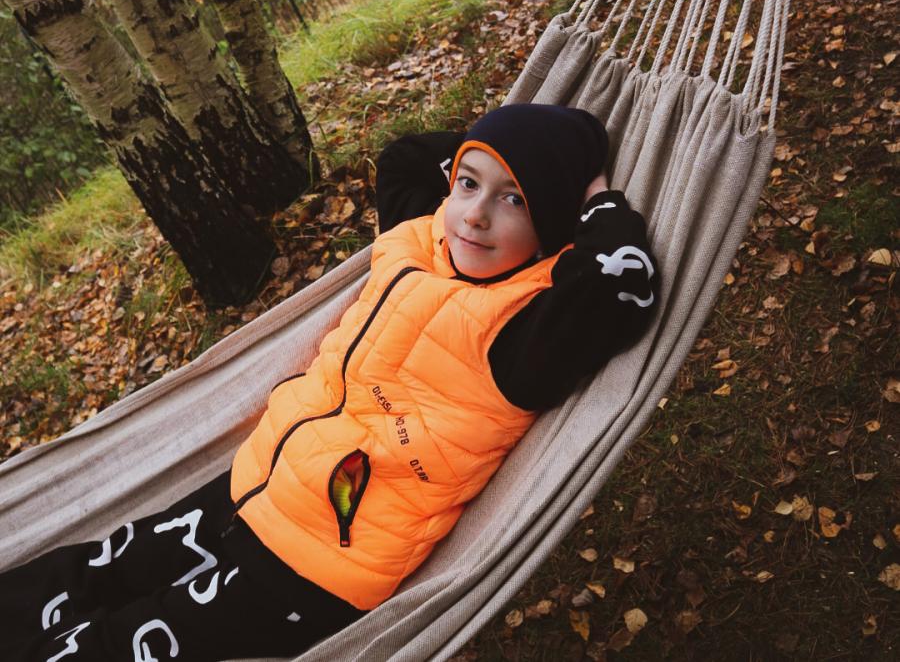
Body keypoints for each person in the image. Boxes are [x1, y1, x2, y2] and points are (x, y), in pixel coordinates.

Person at [0, 103, 659, 661]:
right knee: (97, 570)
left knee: (121, 644)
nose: (476, 216)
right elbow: (402, 158)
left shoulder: (527, 326)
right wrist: (506, 148)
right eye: (467, 183)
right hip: (251, 483)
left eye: (514, 199)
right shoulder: (418, 237)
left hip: (311, 570)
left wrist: (594, 200)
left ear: (552, 222)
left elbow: (619, 285)